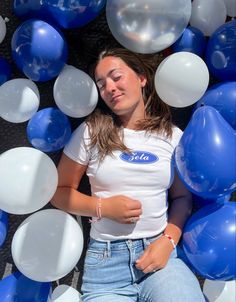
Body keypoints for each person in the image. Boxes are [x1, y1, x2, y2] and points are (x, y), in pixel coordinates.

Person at [51, 47, 205, 302]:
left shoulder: (173, 137)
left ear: (141, 77)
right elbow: (59, 192)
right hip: (106, 270)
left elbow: (182, 198)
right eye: (101, 84)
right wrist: (102, 207)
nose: (109, 87)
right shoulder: (91, 132)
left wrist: (168, 240)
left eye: (116, 76)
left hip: (160, 258)